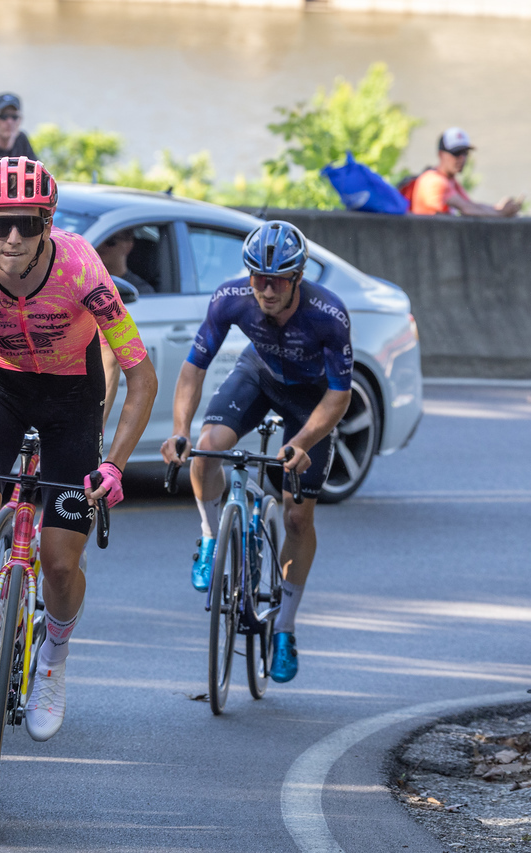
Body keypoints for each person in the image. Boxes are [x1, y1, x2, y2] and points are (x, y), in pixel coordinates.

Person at [0, 156, 158, 741]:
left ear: (47, 222)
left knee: (58, 562)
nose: (12, 237)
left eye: (27, 224)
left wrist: (114, 463)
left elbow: (141, 375)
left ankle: (52, 664)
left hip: (71, 398)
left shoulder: (82, 268)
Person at [160, 221, 351, 684]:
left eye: (277, 279)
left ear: (297, 277)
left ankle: (283, 627)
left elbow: (341, 396)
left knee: (296, 516)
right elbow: (192, 371)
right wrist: (180, 431)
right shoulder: (231, 298)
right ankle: (210, 539)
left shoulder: (329, 315)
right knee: (206, 450)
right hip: (259, 378)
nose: (265, 289)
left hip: (312, 400)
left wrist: (302, 442)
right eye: (257, 277)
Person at [410, 128, 523, 218]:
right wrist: (501, 213)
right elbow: (467, 209)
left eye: (465, 153)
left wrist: (499, 208)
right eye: (456, 153)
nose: (462, 158)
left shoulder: (450, 180)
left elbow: (471, 205)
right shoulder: (434, 181)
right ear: (441, 154)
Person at [96, 228, 154, 294]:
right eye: (100, 240)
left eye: (110, 241)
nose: (101, 245)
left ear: (128, 246)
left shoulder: (140, 290)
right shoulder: (88, 281)